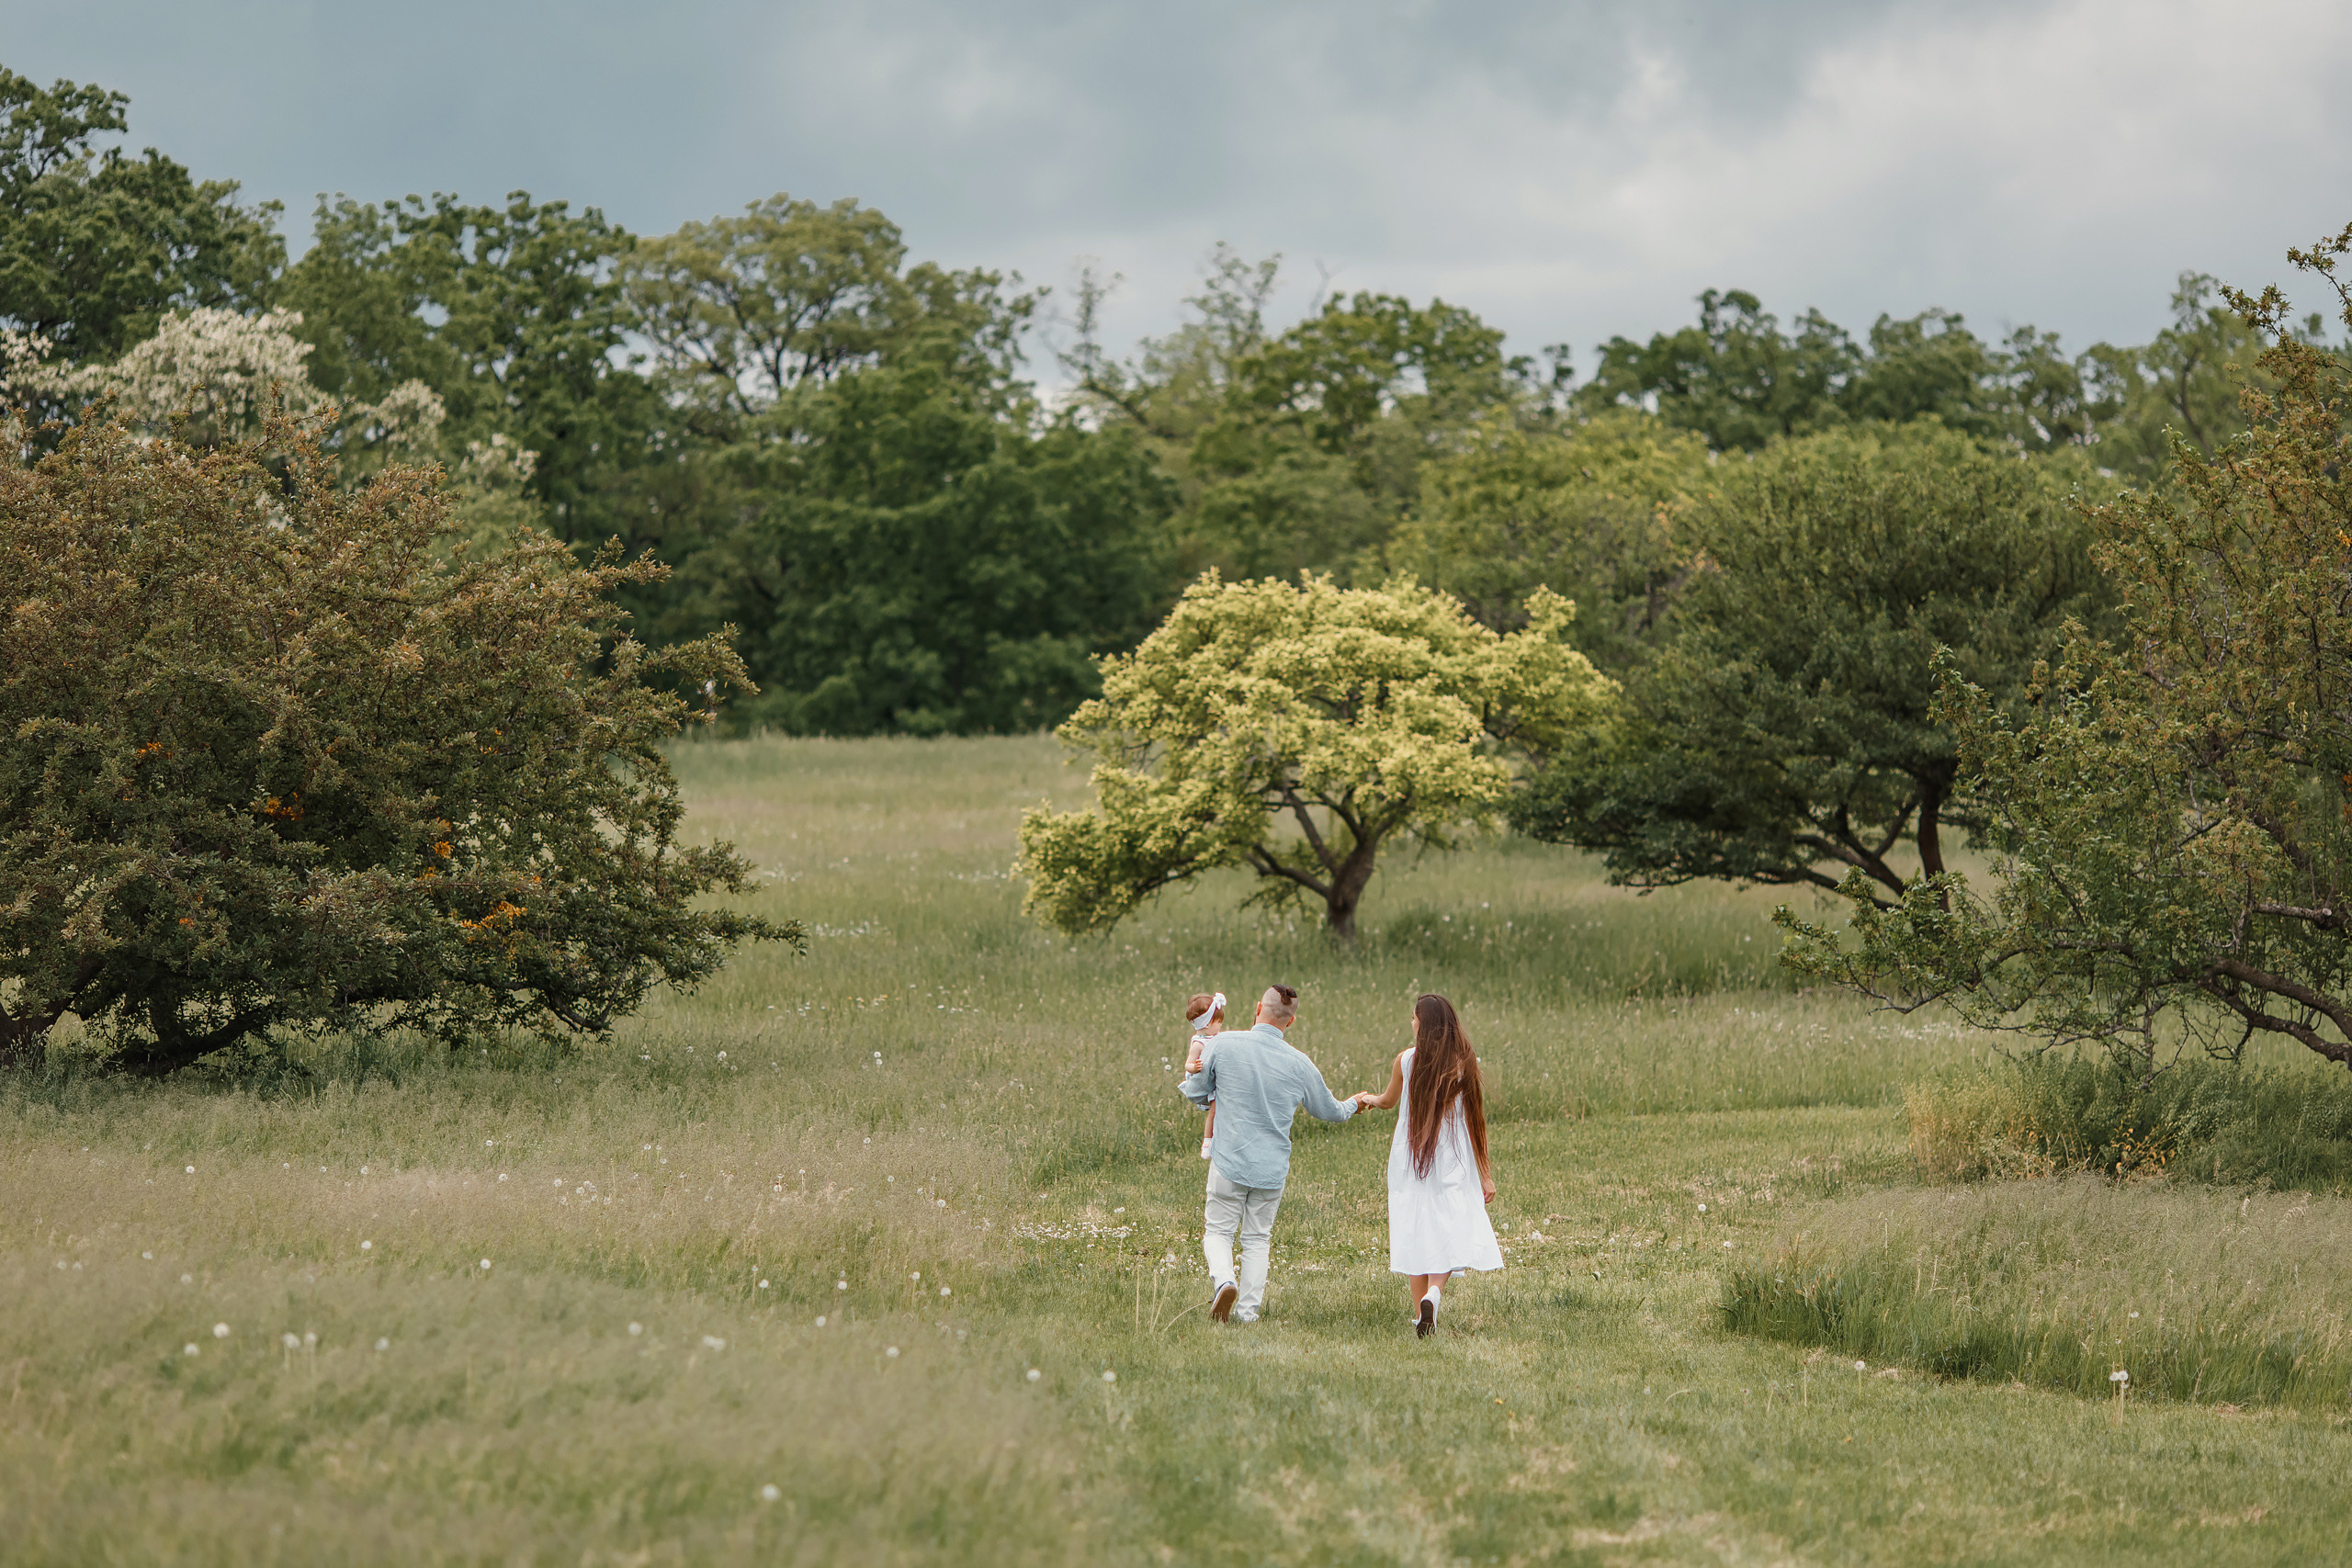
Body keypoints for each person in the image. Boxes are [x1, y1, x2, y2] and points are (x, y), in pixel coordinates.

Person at [1178, 983, 1358, 1324]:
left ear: (1258, 1007)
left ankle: (1224, 1280)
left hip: (1229, 1160)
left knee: (1218, 1231)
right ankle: (1247, 1314)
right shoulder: (1300, 1063)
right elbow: (1329, 1110)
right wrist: (1356, 1103)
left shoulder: (1225, 1043)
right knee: (1258, 1239)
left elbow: (1197, 1089)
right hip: (1271, 1168)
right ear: (1291, 1022)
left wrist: (1209, 1099)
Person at [1353, 992, 1500, 1338]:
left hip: (1410, 1157)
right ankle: (1434, 1295)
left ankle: (1421, 1312)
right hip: (1453, 1157)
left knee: (1414, 1226)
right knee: (1452, 1226)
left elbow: (1388, 1101)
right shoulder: (1464, 1061)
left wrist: (1368, 1099)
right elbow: (1476, 1120)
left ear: (1426, 1024)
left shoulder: (1406, 1060)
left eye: (1414, 1017)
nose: (1412, 1022)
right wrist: (1486, 1175)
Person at [1182, 991, 1227, 1160]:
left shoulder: (1217, 1037)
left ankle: (1222, 1138)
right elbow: (1188, 1064)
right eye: (1218, 1022)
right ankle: (1207, 1142)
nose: (1220, 1026)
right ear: (1207, 1024)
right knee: (1214, 1110)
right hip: (1208, 1081)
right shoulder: (1199, 1043)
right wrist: (1194, 1067)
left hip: (1220, 1079)